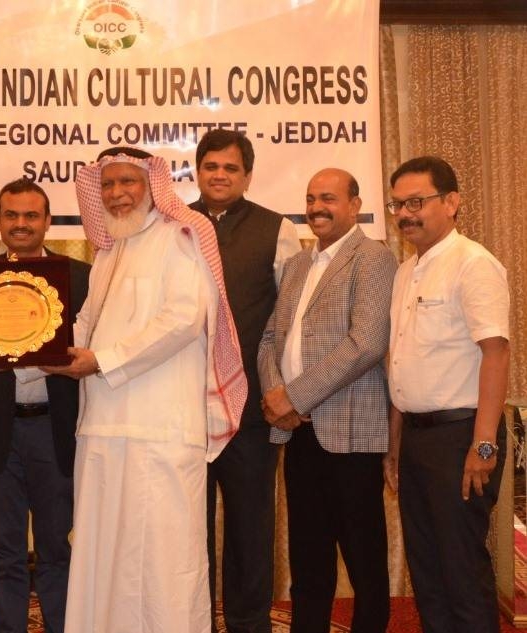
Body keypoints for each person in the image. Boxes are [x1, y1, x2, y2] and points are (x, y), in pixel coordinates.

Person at [44, 147, 247, 633]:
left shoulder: (181, 236)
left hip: (162, 428)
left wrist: (102, 361)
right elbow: (85, 324)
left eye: (127, 183)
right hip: (102, 428)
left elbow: (182, 319)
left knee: (164, 561)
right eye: (108, 185)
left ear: (152, 186)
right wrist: (37, 350)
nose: (116, 195)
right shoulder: (108, 254)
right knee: (104, 555)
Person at [0, 178, 90, 633]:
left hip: (56, 429)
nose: (21, 224)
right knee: (4, 550)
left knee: (55, 548)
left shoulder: (80, 276)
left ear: (48, 221)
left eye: (31, 216)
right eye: (12, 216)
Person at [257, 168, 395, 633]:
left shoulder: (373, 258)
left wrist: (293, 396)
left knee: (364, 561)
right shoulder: (298, 264)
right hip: (299, 434)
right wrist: (278, 397)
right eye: (312, 198)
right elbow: (270, 337)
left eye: (330, 198)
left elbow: (366, 343)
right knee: (308, 559)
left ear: (355, 205)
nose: (318, 207)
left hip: (351, 435)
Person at [384, 156, 509, 633]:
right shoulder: (406, 271)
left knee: (460, 570)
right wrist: (396, 446)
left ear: (452, 202)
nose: (406, 214)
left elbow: (495, 354)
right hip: (416, 441)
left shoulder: (473, 264)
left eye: (418, 201)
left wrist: (484, 445)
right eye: (398, 204)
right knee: (428, 572)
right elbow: (401, 362)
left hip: (461, 437)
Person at [188, 128, 301, 633]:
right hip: (183, 409)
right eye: (211, 166)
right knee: (188, 532)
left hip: (250, 411)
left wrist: (285, 392)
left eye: (231, 168)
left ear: (248, 175)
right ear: (197, 170)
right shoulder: (172, 225)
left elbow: (289, 318)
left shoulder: (277, 230)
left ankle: (248, 624)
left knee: (251, 530)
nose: (220, 175)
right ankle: (192, 622)